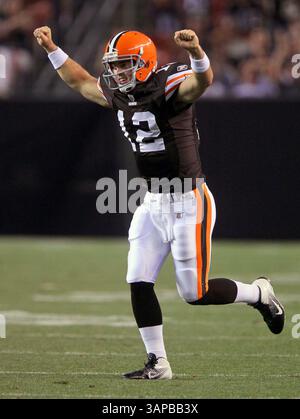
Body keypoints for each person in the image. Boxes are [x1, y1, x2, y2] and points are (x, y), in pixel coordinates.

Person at [33, 26, 285, 380]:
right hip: (152, 203)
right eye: (115, 65)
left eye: (125, 65)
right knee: (138, 279)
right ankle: (158, 363)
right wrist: (52, 48)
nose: (117, 72)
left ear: (145, 62)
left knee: (194, 293)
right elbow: (81, 82)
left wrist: (196, 52)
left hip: (189, 201)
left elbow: (202, 82)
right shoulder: (120, 93)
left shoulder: (167, 84)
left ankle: (259, 293)